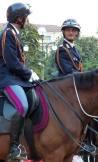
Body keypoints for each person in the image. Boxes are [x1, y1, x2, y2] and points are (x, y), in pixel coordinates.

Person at [0, 3, 39, 161]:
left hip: (16, 78)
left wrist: (31, 75)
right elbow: (12, 63)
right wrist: (29, 73)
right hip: (7, 79)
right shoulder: (8, 33)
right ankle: (14, 146)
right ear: (20, 18)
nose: (27, 20)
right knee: (21, 105)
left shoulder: (15, 34)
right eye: (26, 17)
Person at [55, 19, 95, 153]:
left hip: (77, 85)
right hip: (66, 87)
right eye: (68, 30)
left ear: (77, 33)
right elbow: (67, 71)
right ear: (64, 32)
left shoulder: (74, 50)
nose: (71, 32)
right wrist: (85, 78)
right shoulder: (62, 50)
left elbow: (78, 70)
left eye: (73, 30)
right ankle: (83, 142)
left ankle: (87, 141)